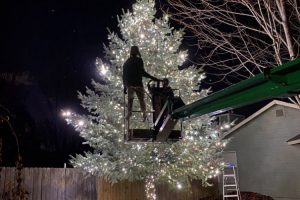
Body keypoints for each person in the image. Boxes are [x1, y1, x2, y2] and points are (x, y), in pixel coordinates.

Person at [122, 46, 159, 121]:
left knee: (130, 100)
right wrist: (152, 77)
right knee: (141, 100)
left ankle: (130, 113)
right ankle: (144, 114)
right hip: (138, 84)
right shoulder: (139, 60)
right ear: (137, 52)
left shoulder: (126, 62)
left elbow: (124, 76)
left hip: (130, 86)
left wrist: (125, 87)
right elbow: (142, 72)